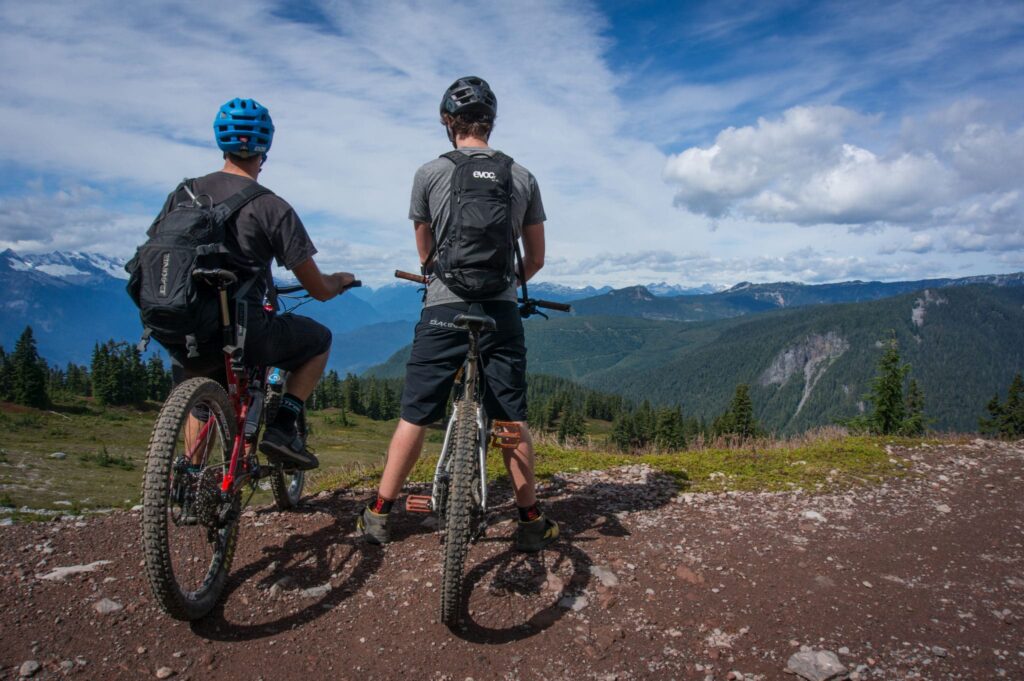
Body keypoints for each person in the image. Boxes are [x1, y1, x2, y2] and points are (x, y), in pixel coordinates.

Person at [357, 77, 558, 552]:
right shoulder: (522, 177)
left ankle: (381, 511)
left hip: (444, 306)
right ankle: (529, 520)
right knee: (510, 417)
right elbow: (537, 259)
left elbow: (424, 246)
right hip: (501, 309)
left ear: (449, 123)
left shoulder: (429, 173)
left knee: (415, 414)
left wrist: (433, 275)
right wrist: (507, 281)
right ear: (491, 123)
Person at [154, 97, 355, 471]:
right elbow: (318, 289)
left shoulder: (183, 195)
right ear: (266, 147)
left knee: (199, 393)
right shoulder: (271, 207)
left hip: (183, 325)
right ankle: (281, 427)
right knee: (319, 340)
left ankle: (192, 477)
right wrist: (340, 281)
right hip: (244, 330)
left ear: (221, 142)